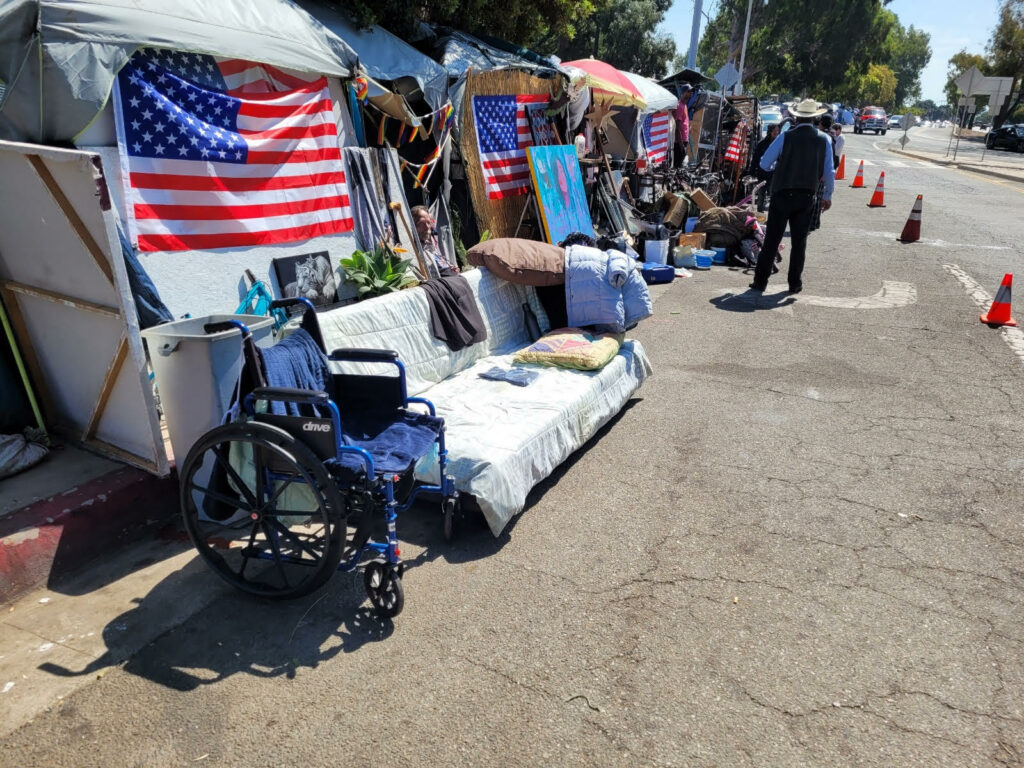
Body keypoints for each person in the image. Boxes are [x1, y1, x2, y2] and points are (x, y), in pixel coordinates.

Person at [750, 98, 835, 295]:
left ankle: (760, 282)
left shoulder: (785, 137)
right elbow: (829, 172)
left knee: (771, 240)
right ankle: (794, 284)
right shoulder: (825, 140)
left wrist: (780, 167)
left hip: (781, 194)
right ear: (816, 118)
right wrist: (828, 196)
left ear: (796, 116)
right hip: (807, 195)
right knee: (799, 243)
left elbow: (764, 164)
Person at [411, 205, 459, 277]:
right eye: (421, 223)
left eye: (428, 222)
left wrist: (450, 267)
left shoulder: (431, 243)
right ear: (413, 225)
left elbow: (441, 263)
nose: (427, 227)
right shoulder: (414, 250)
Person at [751, 123, 780, 211]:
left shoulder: (779, 144)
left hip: (773, 174)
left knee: (772, 195)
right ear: (770, 131)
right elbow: (755, 157)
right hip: (762, 172)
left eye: (777, 131)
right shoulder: (762, 144)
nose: (776, 133)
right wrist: (752, 171)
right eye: (774, 131)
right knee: (761, 194)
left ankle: (772, 214)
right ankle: (760, 213)